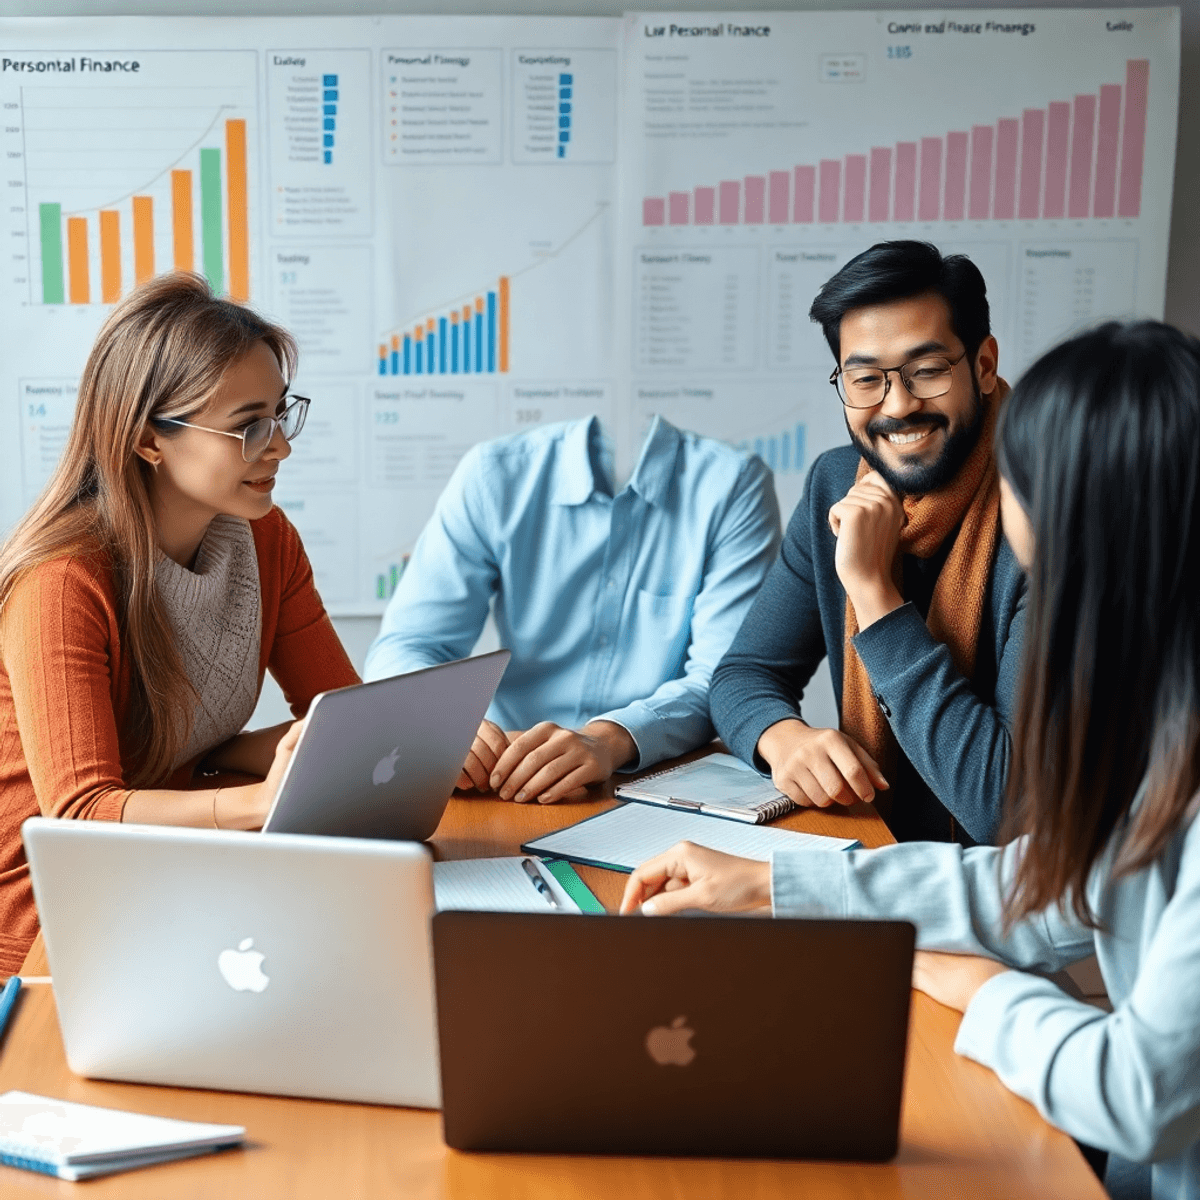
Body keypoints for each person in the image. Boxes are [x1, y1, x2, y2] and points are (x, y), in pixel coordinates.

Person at [623, 320, 1200, 1200]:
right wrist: (772, 884)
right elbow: (1053, 888)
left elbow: (1139, 1094)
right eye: (865, 376)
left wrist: (979, 991)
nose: (898, 404)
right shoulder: (1162, 704)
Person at [0, 273, 359, 974]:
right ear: (148, 441)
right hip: (52, 923)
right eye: (248, 425)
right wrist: (261, 800)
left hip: (181, 870)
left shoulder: (267, 539)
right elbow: (81, 818)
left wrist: (414, 739)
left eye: (282, 414)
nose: (278, 446)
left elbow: (336, 713)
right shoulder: (63, 581)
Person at [710, 240, 1025, 844]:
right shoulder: (835, 483)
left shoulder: (1047, 510)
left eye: (928, 371)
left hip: (1004, 896)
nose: (898, 405)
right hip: (871, 851)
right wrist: (784, 739)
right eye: (866, 379)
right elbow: (744, 673)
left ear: (984, 365)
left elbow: (1006, 807)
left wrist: (873, 592)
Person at [364, 415, 780, 804]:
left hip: (650, 777)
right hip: (499, 772)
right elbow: (410, 642)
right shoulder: (495, 474)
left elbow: (724, 678)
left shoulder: (731, 484)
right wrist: (439, 718)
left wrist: (608, 740)